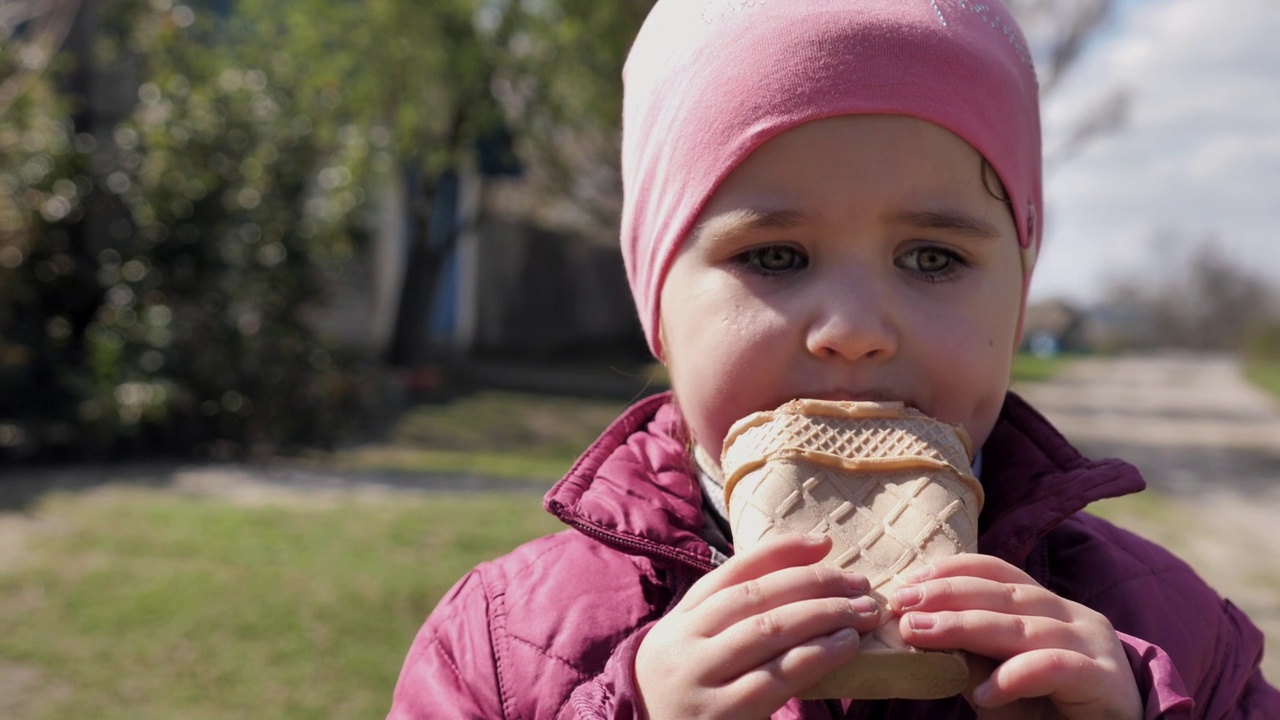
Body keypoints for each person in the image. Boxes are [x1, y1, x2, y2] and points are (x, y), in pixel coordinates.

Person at [387, 1, 1280, 717]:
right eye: (774, 257)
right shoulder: (505, 648)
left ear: (1017, 303)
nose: (854, 328)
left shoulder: (1170, 635)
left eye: (933, 257)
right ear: (655, 301)